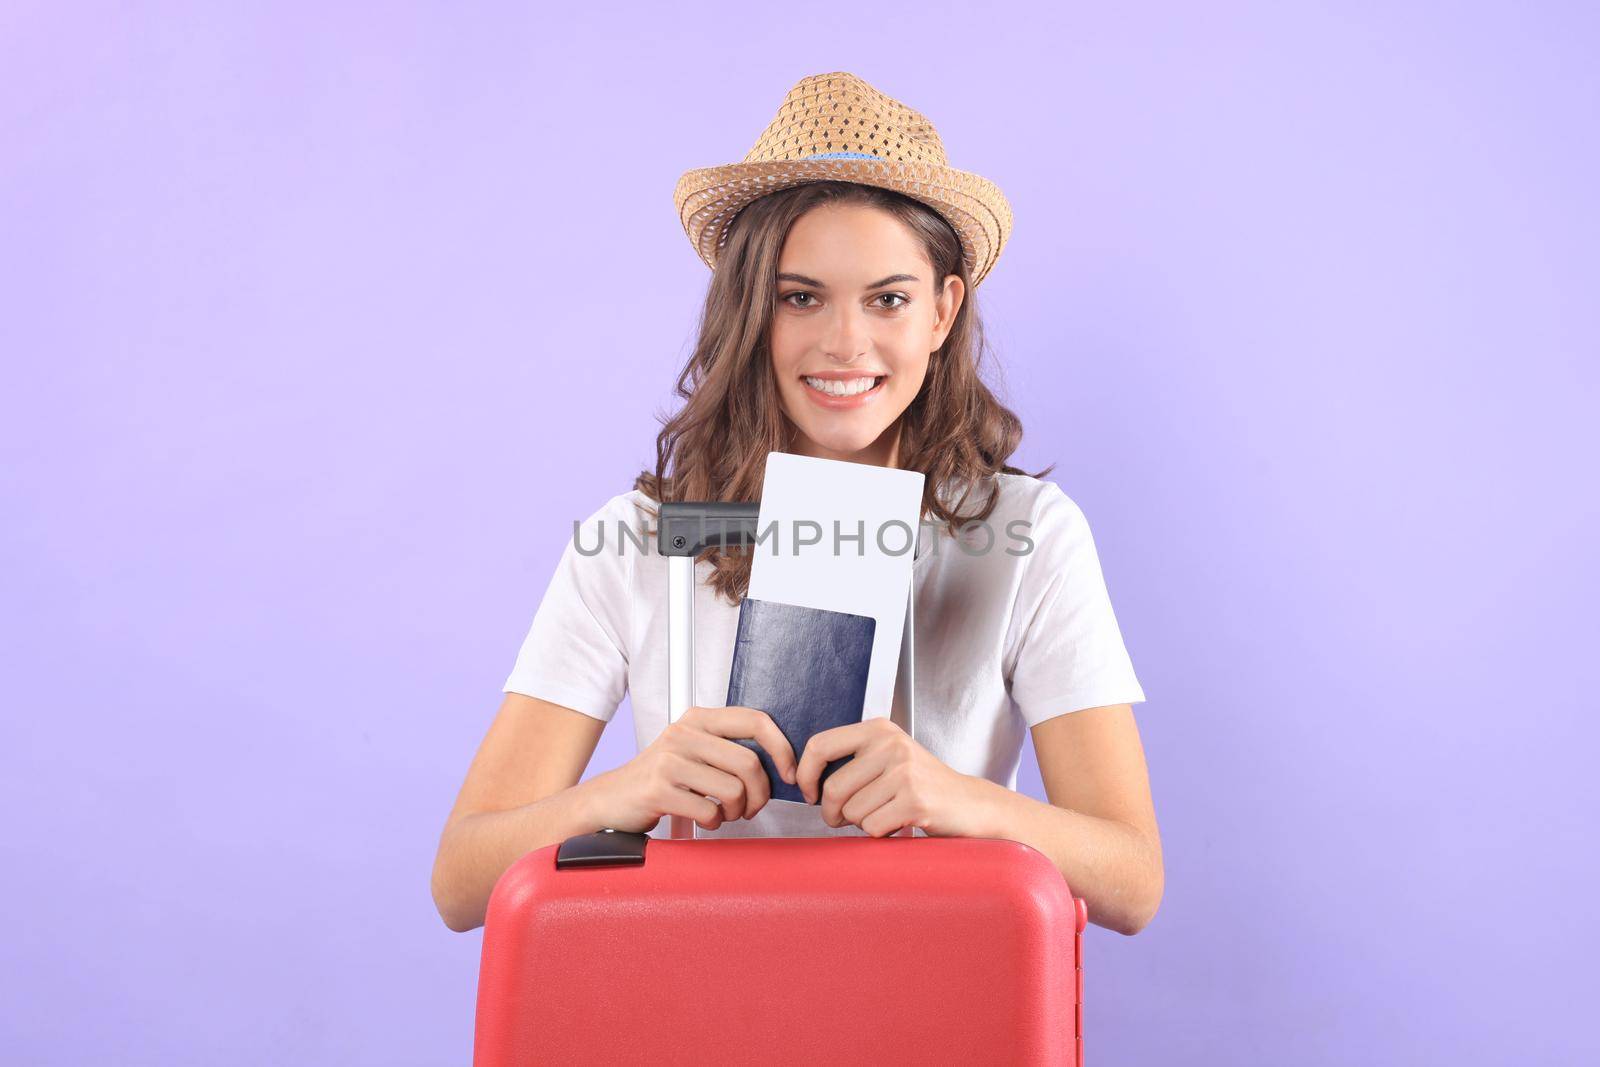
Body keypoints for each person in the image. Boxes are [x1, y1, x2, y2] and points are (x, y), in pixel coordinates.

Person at [431, 71, 1163, 936]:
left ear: (941, 311)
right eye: (799, 296)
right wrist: (630, 790)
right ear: (750, 310)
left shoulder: (1027, 535)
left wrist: (956, 797)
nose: (844, 342)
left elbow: (1133, 882)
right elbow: (461, 882)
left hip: (934, 987)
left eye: (888, 298)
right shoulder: (635, 542)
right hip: (702, 990)